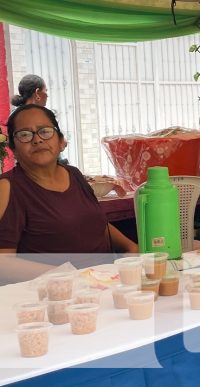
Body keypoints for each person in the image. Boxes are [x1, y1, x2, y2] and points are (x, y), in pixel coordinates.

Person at [0, 104, 138, 284]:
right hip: (55, 293)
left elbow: (93, 223)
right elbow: (3, 263)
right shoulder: (8, 186)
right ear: (13, 148)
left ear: (61, 141)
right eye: (25, 135)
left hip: (104, 281)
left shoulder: (74, 174)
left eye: (45, 131)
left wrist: (130, 246)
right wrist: (67, 276)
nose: (37, 140)